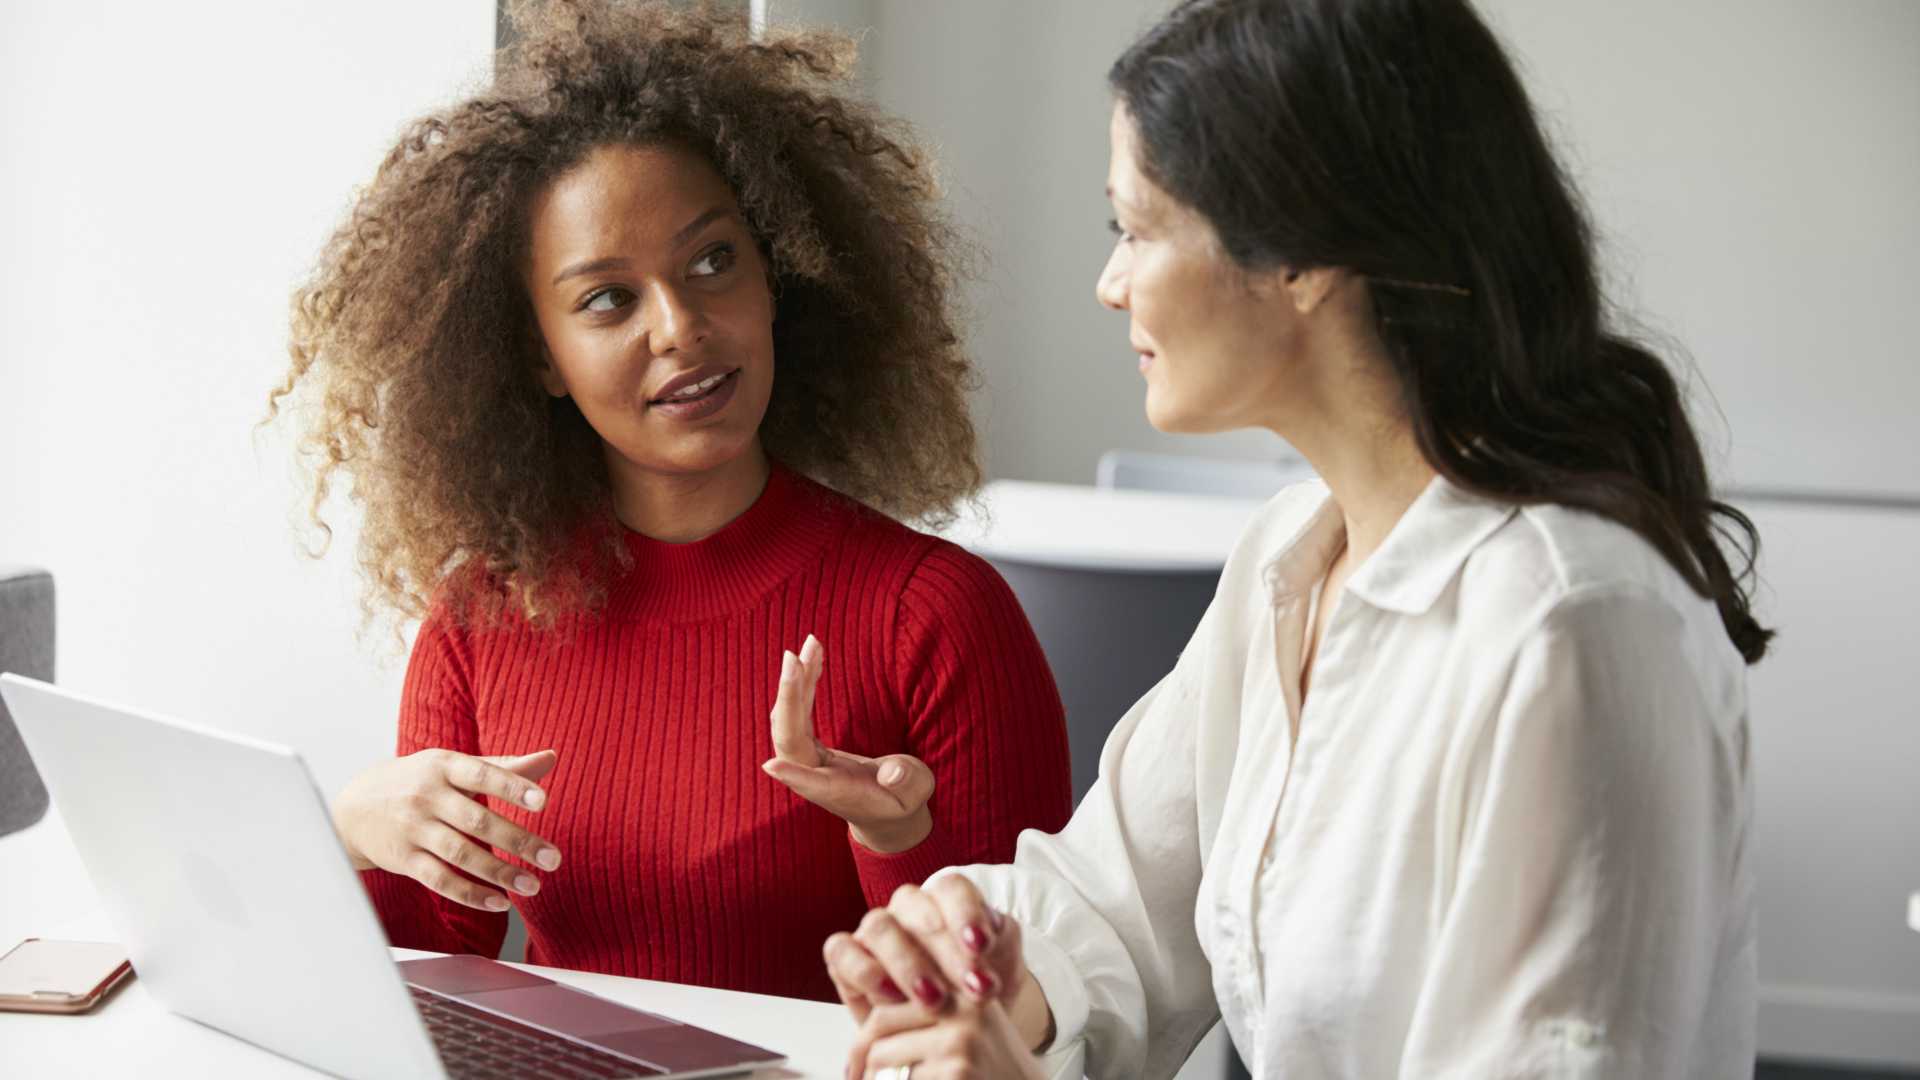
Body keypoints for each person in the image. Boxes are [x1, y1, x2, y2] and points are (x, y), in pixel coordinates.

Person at [821, 0, 1772, 1074]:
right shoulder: (1291, 559)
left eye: (1137, 229)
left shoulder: (1571, 627)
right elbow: (1115, 904)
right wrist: (974, 973)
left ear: (1303, 255)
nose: (1110, 284)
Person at [267, 0, 1072, 1003]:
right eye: (609, 298)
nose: (681, 326)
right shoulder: (478, 622)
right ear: (541, 359)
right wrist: (350, 833)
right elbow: (424, 979)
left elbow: (1019, 1010)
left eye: (713, 261)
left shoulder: (937, 616)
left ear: (775, 278)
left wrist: (894, 840)